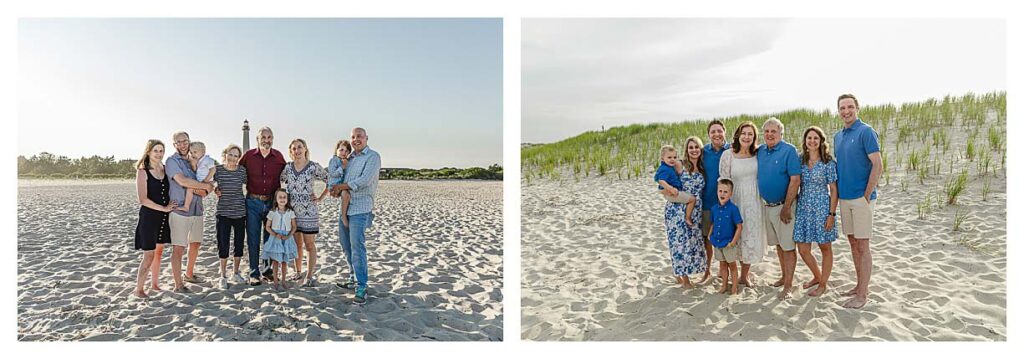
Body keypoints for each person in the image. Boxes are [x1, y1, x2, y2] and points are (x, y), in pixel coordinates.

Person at [833, 93, 882, 309]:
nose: (846, 111)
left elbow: (877, 165)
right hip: (844, 198)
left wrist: (866, 195)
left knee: (863, 244)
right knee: (853, 242)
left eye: (850, 107)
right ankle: (858, 285)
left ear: (857, 108)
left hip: (862, 199)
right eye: (842, 108)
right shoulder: (838, 136)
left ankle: (863, 294)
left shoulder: (866, 132)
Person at [331, 127, 382, 304]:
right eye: (353, 137)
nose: (356, 139)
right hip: (345, 208)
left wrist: (342, 187)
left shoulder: (372, 157)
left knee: (357, 246)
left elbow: (364, 181)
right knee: (345, 245)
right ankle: (352, 277)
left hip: (360, 208)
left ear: (366, 138)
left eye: (359, 136)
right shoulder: (349, 158)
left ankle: (362, 285)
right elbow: (341, 179)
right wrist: (335, 189)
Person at [757, 117, 802, 300]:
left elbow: (795, 179)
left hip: (785, 207)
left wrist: (787, 206)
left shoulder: (788, 150)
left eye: (773, 131)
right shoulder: (760, 151)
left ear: (781, 134)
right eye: (766, 131)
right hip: (767, 207)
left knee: (788, 246)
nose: (769, 135)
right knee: (778, 245)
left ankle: (789, 286)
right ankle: (784, 277)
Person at [165, 131, 215, 291]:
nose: (182, 144)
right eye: (178, 142)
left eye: (185, 141)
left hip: (197, 208)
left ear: (189, 141)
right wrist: (205, 186)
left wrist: (208, 189)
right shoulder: (172, 161)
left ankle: (189, 274)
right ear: (174, 145)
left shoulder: (196, 160)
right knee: (179, 247)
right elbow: (182, 181)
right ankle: (178, 284)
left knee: (196, 243)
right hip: (180, 209)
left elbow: (206, 183)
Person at [719, 121, 766, 287]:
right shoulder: (728, 154)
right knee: (733, 235)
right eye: (744, 133)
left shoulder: (758, 153)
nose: (747, 137)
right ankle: (730, 273)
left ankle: (744, 275)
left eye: (750, 134)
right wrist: (725, 203)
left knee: (750, 234)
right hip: (734, 198)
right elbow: (723, 180)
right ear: (738, 135)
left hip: (753, 200)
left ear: (754, 137)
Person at [793, 126, 839, 297]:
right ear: (805, 141)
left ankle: (823, 284)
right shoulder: (800, 161)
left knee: (825, 247)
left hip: (822, 208)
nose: (812, 141)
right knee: (803, 248)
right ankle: (818, 277)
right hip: (804, 208)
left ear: (821, 142)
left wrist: (831, 214)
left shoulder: (828, 162)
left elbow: (834, 189)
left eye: (815, 138)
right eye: (809, 138)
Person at [657, 137, 708, 289]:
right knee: (679, 244)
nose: (694, 150)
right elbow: (661, 182)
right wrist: (666, 191)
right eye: (691, 147)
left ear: (700, 149)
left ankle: (682, 274)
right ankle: (684, 279)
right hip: (678, 208)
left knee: (691, 244)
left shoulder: (702, 167)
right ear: (687, 150)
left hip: (695, 210)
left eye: (696, 147)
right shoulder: (679, 164)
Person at [238, 127, 287, 285]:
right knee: (253, 238)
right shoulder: (248, 156)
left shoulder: (278, 156)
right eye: (263, 137)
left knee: (269, 238)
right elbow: (236, 171)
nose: (266, 140)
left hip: (271, 203)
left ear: (272, 139)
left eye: (269, 137)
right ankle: (254, 272)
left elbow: (288, 175)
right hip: (252, 202)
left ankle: (267, 270)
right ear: (258, 139)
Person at [281, 138, 329, 287]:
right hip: (293, 212)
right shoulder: (287, 168)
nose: (297, 151)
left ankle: (309, 276)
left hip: (309, 212)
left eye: (300, 147)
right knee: (297, 244)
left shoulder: (313, 167)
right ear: (291, 152)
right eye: (294, 148)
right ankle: (298, 272)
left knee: (309, 244)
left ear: (305, 149)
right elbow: (280, 182)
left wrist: (320, 197)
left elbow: (330, 179)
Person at [133, 140, 177, 298]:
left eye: (161, 151)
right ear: (148, 152)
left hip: (164, 218)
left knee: (159, 251)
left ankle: (154, 284)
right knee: (149, 254)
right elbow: (142, 200)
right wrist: (164, 208)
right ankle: (138, 289)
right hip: (149, 217)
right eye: (155, 151)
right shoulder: (142, 171)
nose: (159, 154)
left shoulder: (164, 169)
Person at [213, 144, 248, 289]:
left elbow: (251, 183)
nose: (233, 158)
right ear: (225, 154)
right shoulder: (218, 170)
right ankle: (222, 275)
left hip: (240, 212)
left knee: (239, 244)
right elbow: (209, 181)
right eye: (231, 154)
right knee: (223, 244)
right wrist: (215, 188)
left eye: (236, 155)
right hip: (223, 212)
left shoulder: (242, 171)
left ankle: (235, 272)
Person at [700, 119, 730, 284]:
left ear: (725, 131)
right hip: (707, 201)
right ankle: (707, 270)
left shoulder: (733, 149)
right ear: (709, 135)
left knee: (727, 237)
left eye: (719, 131)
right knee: (708, 239)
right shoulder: (703, 152)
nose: (716, 134)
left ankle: (724, 270)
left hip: (727, 203)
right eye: (713, 132)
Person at [708, 178, 743, 295]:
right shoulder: (714, 209)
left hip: (728, 243)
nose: (722, 194)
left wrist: (733, 242)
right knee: (722, 265)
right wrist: (709, 234)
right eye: (720, 191)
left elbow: (739, 226)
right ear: (717, 191)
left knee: (732, 266)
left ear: (731, 193)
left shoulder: (733, 209)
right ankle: (724, 285)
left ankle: (734, 287)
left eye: (725, 192)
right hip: (717, 242)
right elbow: (713, 223)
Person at [262, 188, 299, 290]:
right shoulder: (272, 212)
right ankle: (275, 281)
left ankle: (283, 280)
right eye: (280, 197)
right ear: (276, 199)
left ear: (287, 199)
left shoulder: (290, 212)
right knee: (275, 261)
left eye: (284, 197)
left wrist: (289, 235)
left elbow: (294, 226)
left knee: (284, 261)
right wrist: (275, 234)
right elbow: (267, 227)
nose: (282, 199)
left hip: (286, 238)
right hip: (276, 238)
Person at [654, 145, 697, 226]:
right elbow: (661, 181)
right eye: (669, 157)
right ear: (662, 158)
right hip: (672, 192)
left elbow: (655, 177)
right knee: (692, 200)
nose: (672, 159)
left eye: (674, 157)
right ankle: (688, 218)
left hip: (672, 192)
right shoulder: (665, 169)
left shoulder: (668, 167)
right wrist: (671, 189)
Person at [177, 141, 216, 212]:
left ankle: (186, 206)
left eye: (195, 152)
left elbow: (213, 169)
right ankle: (198, 207)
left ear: (203, 152)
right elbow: (196, 171)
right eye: (191, 153)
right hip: (201, 182)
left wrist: (206, 181)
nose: (192, 155)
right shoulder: (199, 161)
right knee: (193, 190)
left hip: (206, 182)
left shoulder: (207, 160)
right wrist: (193, 165)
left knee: (190, 188)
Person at [328, 139, 354, 227]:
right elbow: (332, 174)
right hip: (334, 185)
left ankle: (345, 213)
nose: (344, 152)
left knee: (347, 195)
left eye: (346, 151)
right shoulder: (334, 160)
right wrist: (342, 167)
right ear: (336, 151)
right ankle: (343, 216)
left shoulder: (345, 160)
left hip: (341, 185)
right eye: (341, 150)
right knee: (345, 194)